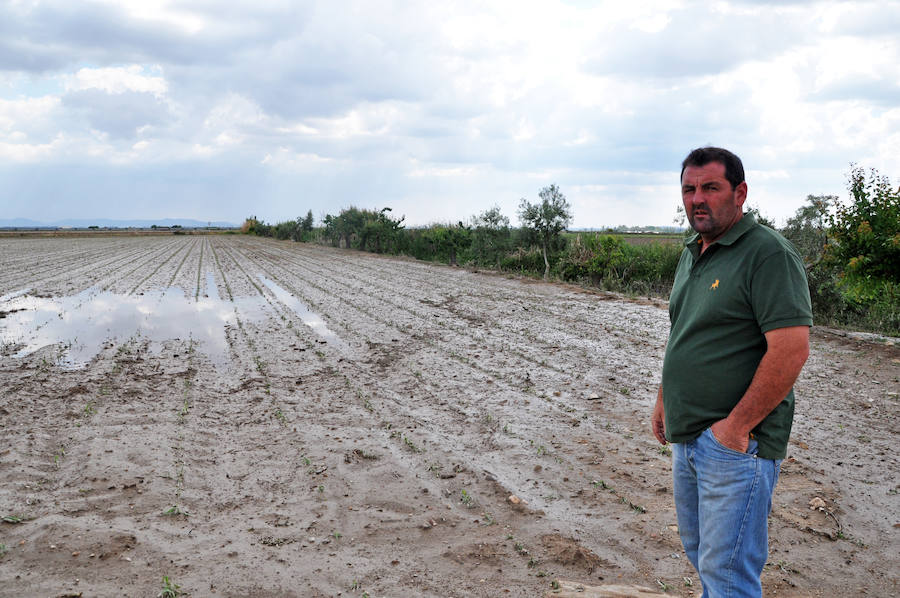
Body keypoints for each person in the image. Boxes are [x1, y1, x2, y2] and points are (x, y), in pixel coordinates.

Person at [651, 147, 812, 597]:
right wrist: (665, 398)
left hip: (736, 446)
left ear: (740, 193)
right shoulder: (694, 252)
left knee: (728, 575)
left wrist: (736, 427)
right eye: (688, 189)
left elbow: (791, 350)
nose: (697, 198)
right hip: (690, 439)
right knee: (706, 560)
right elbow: (684, 330)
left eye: (710, 188)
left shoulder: (767, 254)